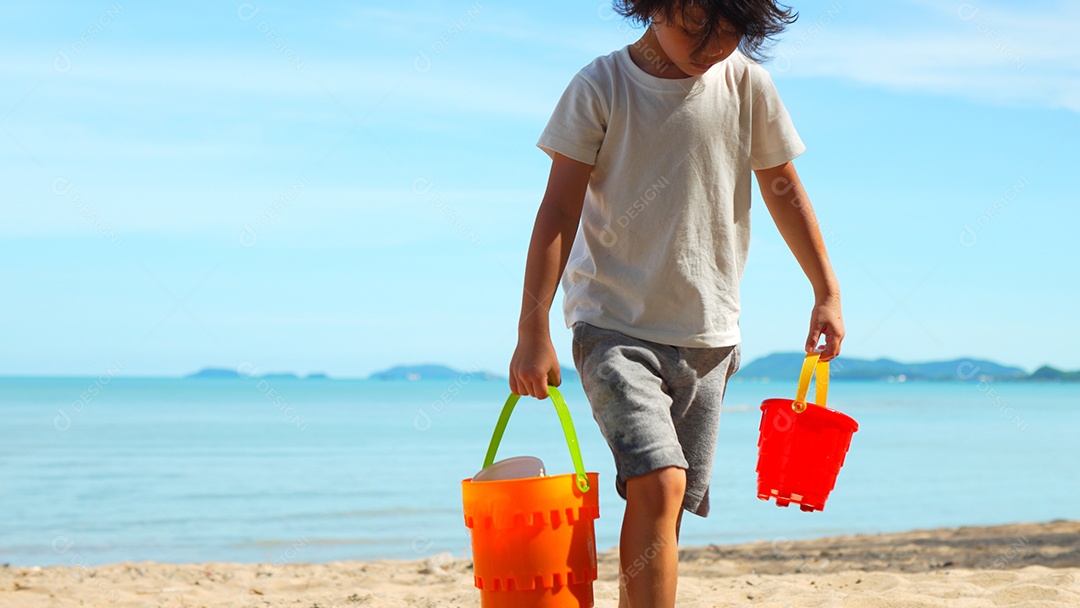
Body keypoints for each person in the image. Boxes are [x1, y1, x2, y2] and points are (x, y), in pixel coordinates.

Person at [509, 1, 844, 605]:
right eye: (700, 32)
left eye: (730, 36)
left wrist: (826, 290)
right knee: (660, 483)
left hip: (709, 334)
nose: (715, 48)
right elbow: (557, 211)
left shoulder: (747, 84)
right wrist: (533, 331)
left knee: (670, 502)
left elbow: (783, 187)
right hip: (612, 324)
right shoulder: (601, 85)